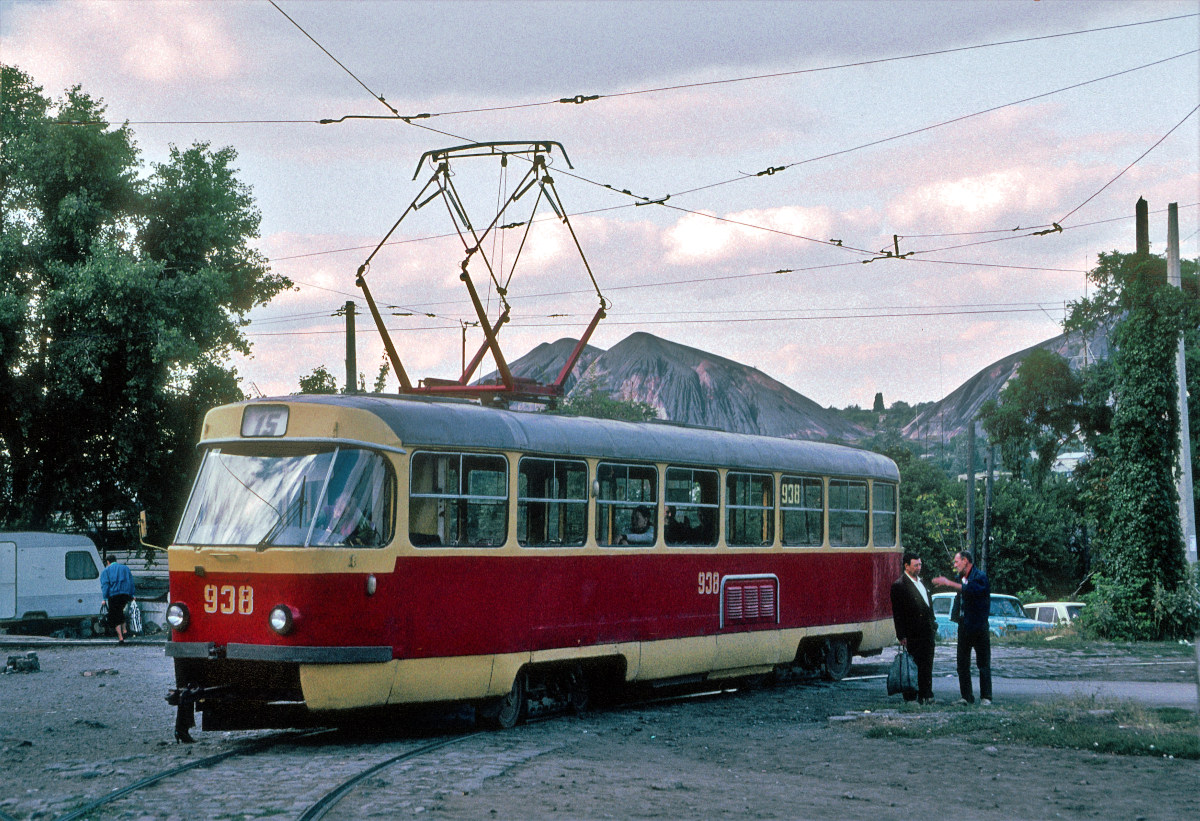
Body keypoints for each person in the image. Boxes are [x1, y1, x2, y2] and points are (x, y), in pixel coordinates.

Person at [933, 550, 992, 705]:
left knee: (983, 663)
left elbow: (971, 590)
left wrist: (948, 583)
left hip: (979, 626)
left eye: (956, 561)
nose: (955, 565)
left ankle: (986, 697)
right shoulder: (961, 578)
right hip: (964, 626)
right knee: (962, 664)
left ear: (965, 561)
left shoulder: (980, 577)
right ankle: (966, 697)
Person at [890, 551, 936, 704]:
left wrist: (933, 623)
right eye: (916, 565)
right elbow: (898, 613)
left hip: (927, 631)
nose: (919, 568)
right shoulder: (899, 586)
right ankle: (910, 696)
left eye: (920, 564)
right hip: (912, 633)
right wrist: (901, 635)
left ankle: (926, 694)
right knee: (912, 665)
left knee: (927, 664)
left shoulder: (922, 582)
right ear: (906, 566)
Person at [100, 555, 136, 645]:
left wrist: (104, 598)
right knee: (120, 612)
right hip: (125, 595)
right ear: (116, 560)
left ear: (108, 562)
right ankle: (124, 630)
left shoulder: (106, 571)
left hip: (113, 595)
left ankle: (120, 638)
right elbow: (131, 582)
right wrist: (132, 594)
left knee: (115, 616)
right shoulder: (125, 568)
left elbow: (105, 585)